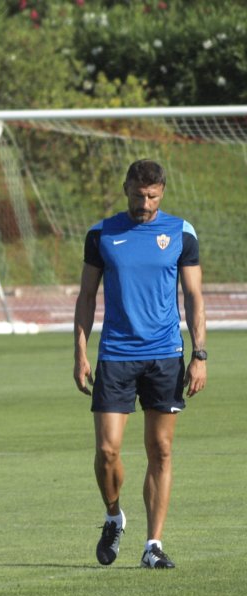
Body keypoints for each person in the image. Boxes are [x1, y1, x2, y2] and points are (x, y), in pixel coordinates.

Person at [73, 159, 207, 570]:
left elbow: (194, 297)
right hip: (115, 354)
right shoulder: (102, 234)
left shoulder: (180, 233)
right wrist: (79, 351)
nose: (144, 204)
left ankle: (153, 545)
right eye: (137, 195)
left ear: (161, 192)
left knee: (161, 450)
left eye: (151, 196)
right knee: (107, 450)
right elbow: (86, 297)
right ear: (126, 189)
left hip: (165, 354)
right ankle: (114, 516)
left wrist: (199, 354)